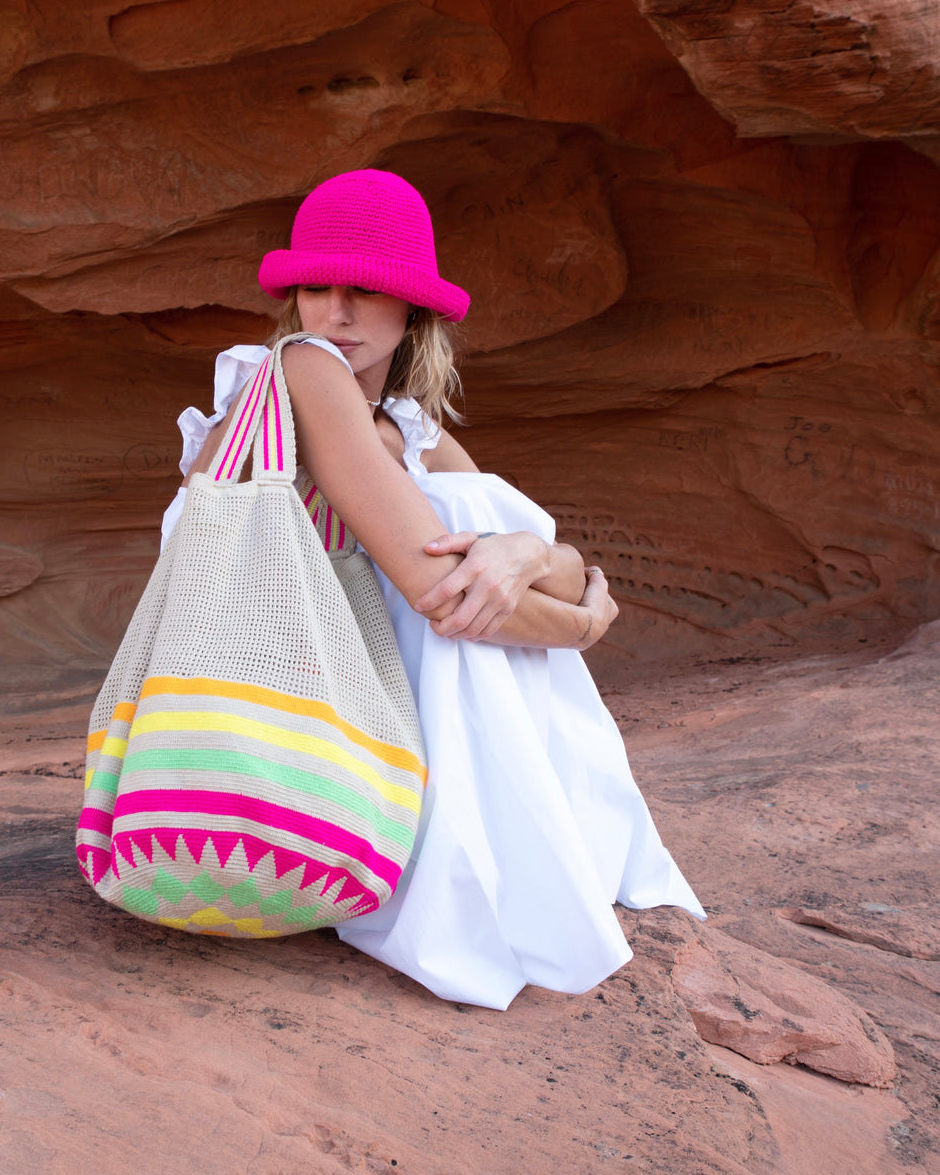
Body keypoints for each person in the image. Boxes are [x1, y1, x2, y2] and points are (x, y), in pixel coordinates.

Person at [160, 169, 704, 1010]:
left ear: (412, 308)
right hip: (271, 704)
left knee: (482, 517)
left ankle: (508, 860)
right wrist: (585, 618)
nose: (333, 313)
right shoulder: (302, 371)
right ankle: (498, 867)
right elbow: (444, 600)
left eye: (364, 291)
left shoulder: (408, 425)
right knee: (467, 565)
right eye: (315, 287)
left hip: (345, 691)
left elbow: (542, 545)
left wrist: (522, 552)